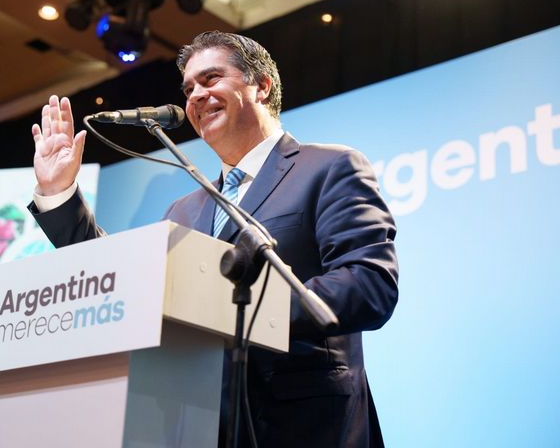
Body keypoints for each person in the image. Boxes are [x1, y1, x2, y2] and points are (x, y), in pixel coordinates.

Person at [28, 31, 399, 447]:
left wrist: (232, 312)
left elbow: (369, 285)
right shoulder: (183, 211)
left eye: (210, 79)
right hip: (200, 426)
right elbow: (120, 284)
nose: (196, 96)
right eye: (188, 89)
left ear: (261, 85)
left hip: (306, 426)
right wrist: (59, 194)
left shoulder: (328, 167)